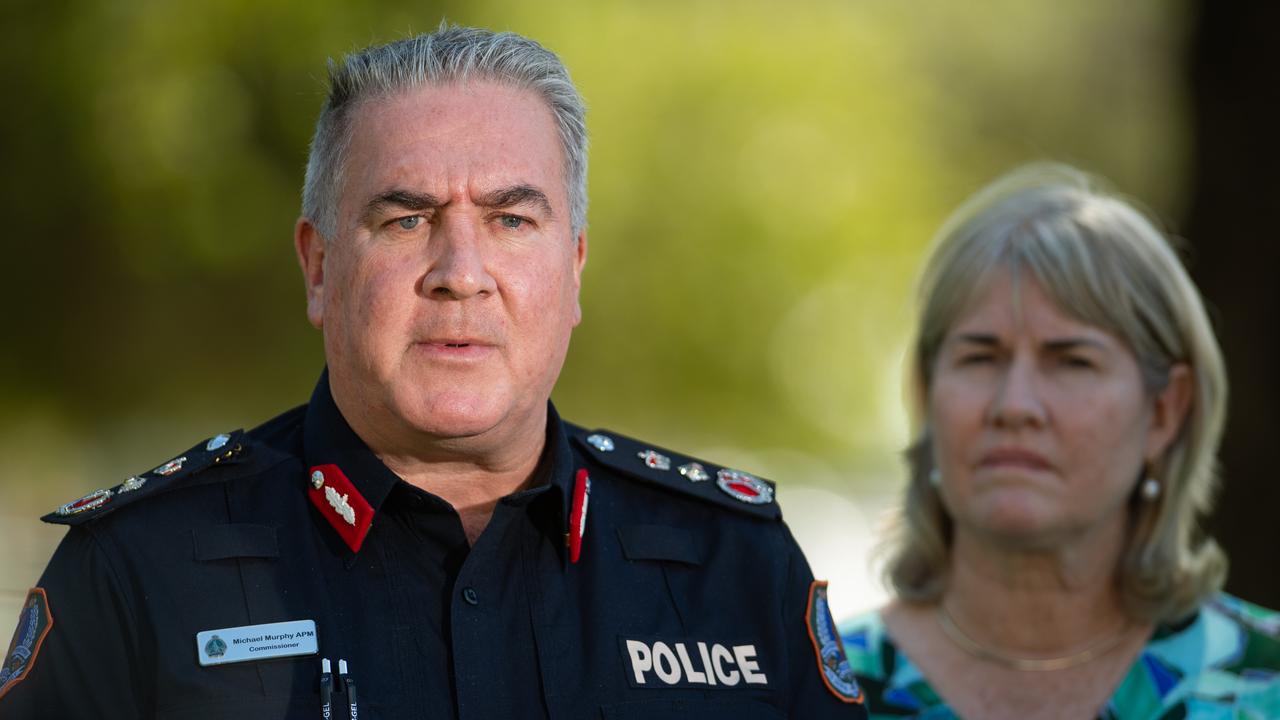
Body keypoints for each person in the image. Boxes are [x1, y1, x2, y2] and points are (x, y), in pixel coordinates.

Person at [0, 26, 868, 720]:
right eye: (407, 219)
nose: (461, 270)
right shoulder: (135, 570)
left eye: (511, 221)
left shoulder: (735, 568)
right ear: (317, 268)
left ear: (574, 268)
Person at [838, 163, 1280, 719]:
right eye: (980, 357)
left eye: (1071, 361)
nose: (1015, 405)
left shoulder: (1263, 684)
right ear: (928, 398)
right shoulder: (809, 688)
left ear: (1165, 411)